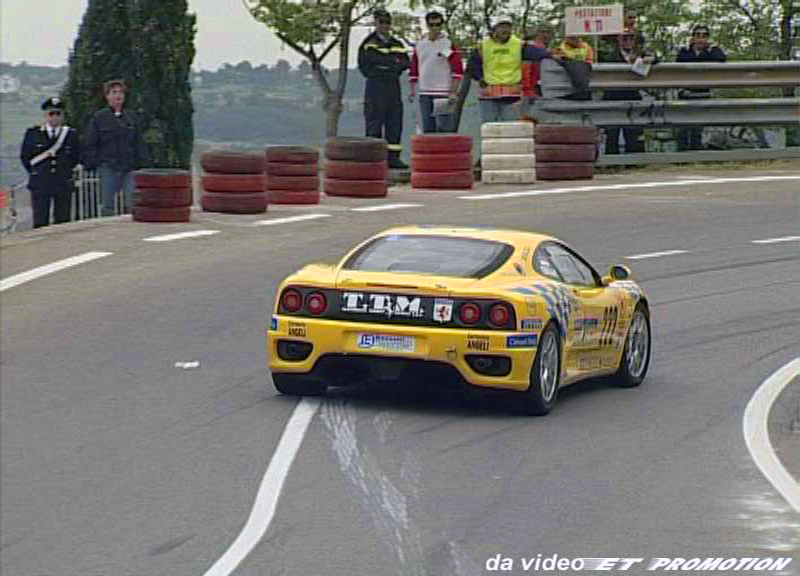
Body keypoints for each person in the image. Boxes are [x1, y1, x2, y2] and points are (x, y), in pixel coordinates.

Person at [468, 14, 550, 123]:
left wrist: (554, 54)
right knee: (489, 128)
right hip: (489, 95)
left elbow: (539, 54)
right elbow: (472, 67)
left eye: (508, 27)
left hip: (511, 96)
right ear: (494, 29)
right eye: (502, 27)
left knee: (510, 128)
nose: (505, 30)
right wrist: (481, 78)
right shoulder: (482, 46)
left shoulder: (518, 45)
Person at [84, 79, 148, 216]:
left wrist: (141, 163)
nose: (118, 95)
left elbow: (138, 142)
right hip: (108, 167)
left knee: (132, 202)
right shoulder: (99, 117)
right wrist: (98, 162)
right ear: (107, 96)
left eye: (121, 92)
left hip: (129, 166)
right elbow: (91, 142)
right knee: (107, 205)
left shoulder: (131, 117)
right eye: (114, 92)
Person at [358, 9, 410, 169]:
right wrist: (390, 65)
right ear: (375, 23)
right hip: (375, 87)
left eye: (387, 22)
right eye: (381, 22)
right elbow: (366, 66)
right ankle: (374, 159)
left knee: (394, 122)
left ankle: (393, 159)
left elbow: (404, 63)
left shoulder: (397, 44)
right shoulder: (369, 43)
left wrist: (386, 65)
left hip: (393, 87)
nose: (385, 26)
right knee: (374, 122)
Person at [19, 97, 80, 228]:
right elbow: (25, 157)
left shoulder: (71, 135)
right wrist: (37, 172)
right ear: (45, 115)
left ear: (63, 115)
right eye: (51, 113)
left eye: (58, 113)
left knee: (63, 222)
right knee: (40, 222)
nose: (55, 117)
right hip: (41, 183)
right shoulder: (33, 133)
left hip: (62, 182)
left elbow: (75, 158)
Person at [409, 11, 464, 133]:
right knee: (428, 129)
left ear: (442, 25)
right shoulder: (420, 44)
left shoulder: (448, 44)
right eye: (431, 25)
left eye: (438, 25)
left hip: (443, 93)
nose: (435, 28)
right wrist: (412, 90)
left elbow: (458, 70)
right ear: (427, 25)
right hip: (424, 93)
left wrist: (453, 92)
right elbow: (414, 70)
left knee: (445, 129)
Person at [676, 25, 726, 151]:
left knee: (698, 128)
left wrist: (711, 48)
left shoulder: (712, 52)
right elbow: (679, 63)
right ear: (693, 37)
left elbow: (721, 59)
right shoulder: (685, 51)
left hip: (703, 94)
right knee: (683, 128)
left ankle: (696, 153)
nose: (701, 38)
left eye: (704, 36)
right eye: (698, 35)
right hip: (685, 93)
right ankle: (681, 154)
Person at [599, 29, 645, 154]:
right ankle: (612, 161)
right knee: (612, 135)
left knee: (633, 134)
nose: (628, 41)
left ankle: (634, 161)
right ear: (618, 39)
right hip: (613, 97)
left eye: (631, 38)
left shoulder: (640, 54)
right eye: (625, 38)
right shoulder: (609, 56)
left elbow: (655, 58)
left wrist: (647, 59)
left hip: (632, 97)